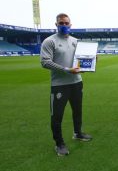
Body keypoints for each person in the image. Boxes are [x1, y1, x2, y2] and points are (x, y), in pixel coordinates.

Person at [40, 13, 92, 156]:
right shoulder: (49, 41)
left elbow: (81, 60)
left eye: (66, 23)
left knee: (78, 111)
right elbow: (45, 62)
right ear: (56, 24)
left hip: (77, 83)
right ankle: (59, 144)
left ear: (70, 25)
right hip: (59, 85)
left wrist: (90, 63)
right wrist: (67, 70)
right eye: (61, 23)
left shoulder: (76, 41)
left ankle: (78, 133)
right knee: (57, 116)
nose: (64, 25)